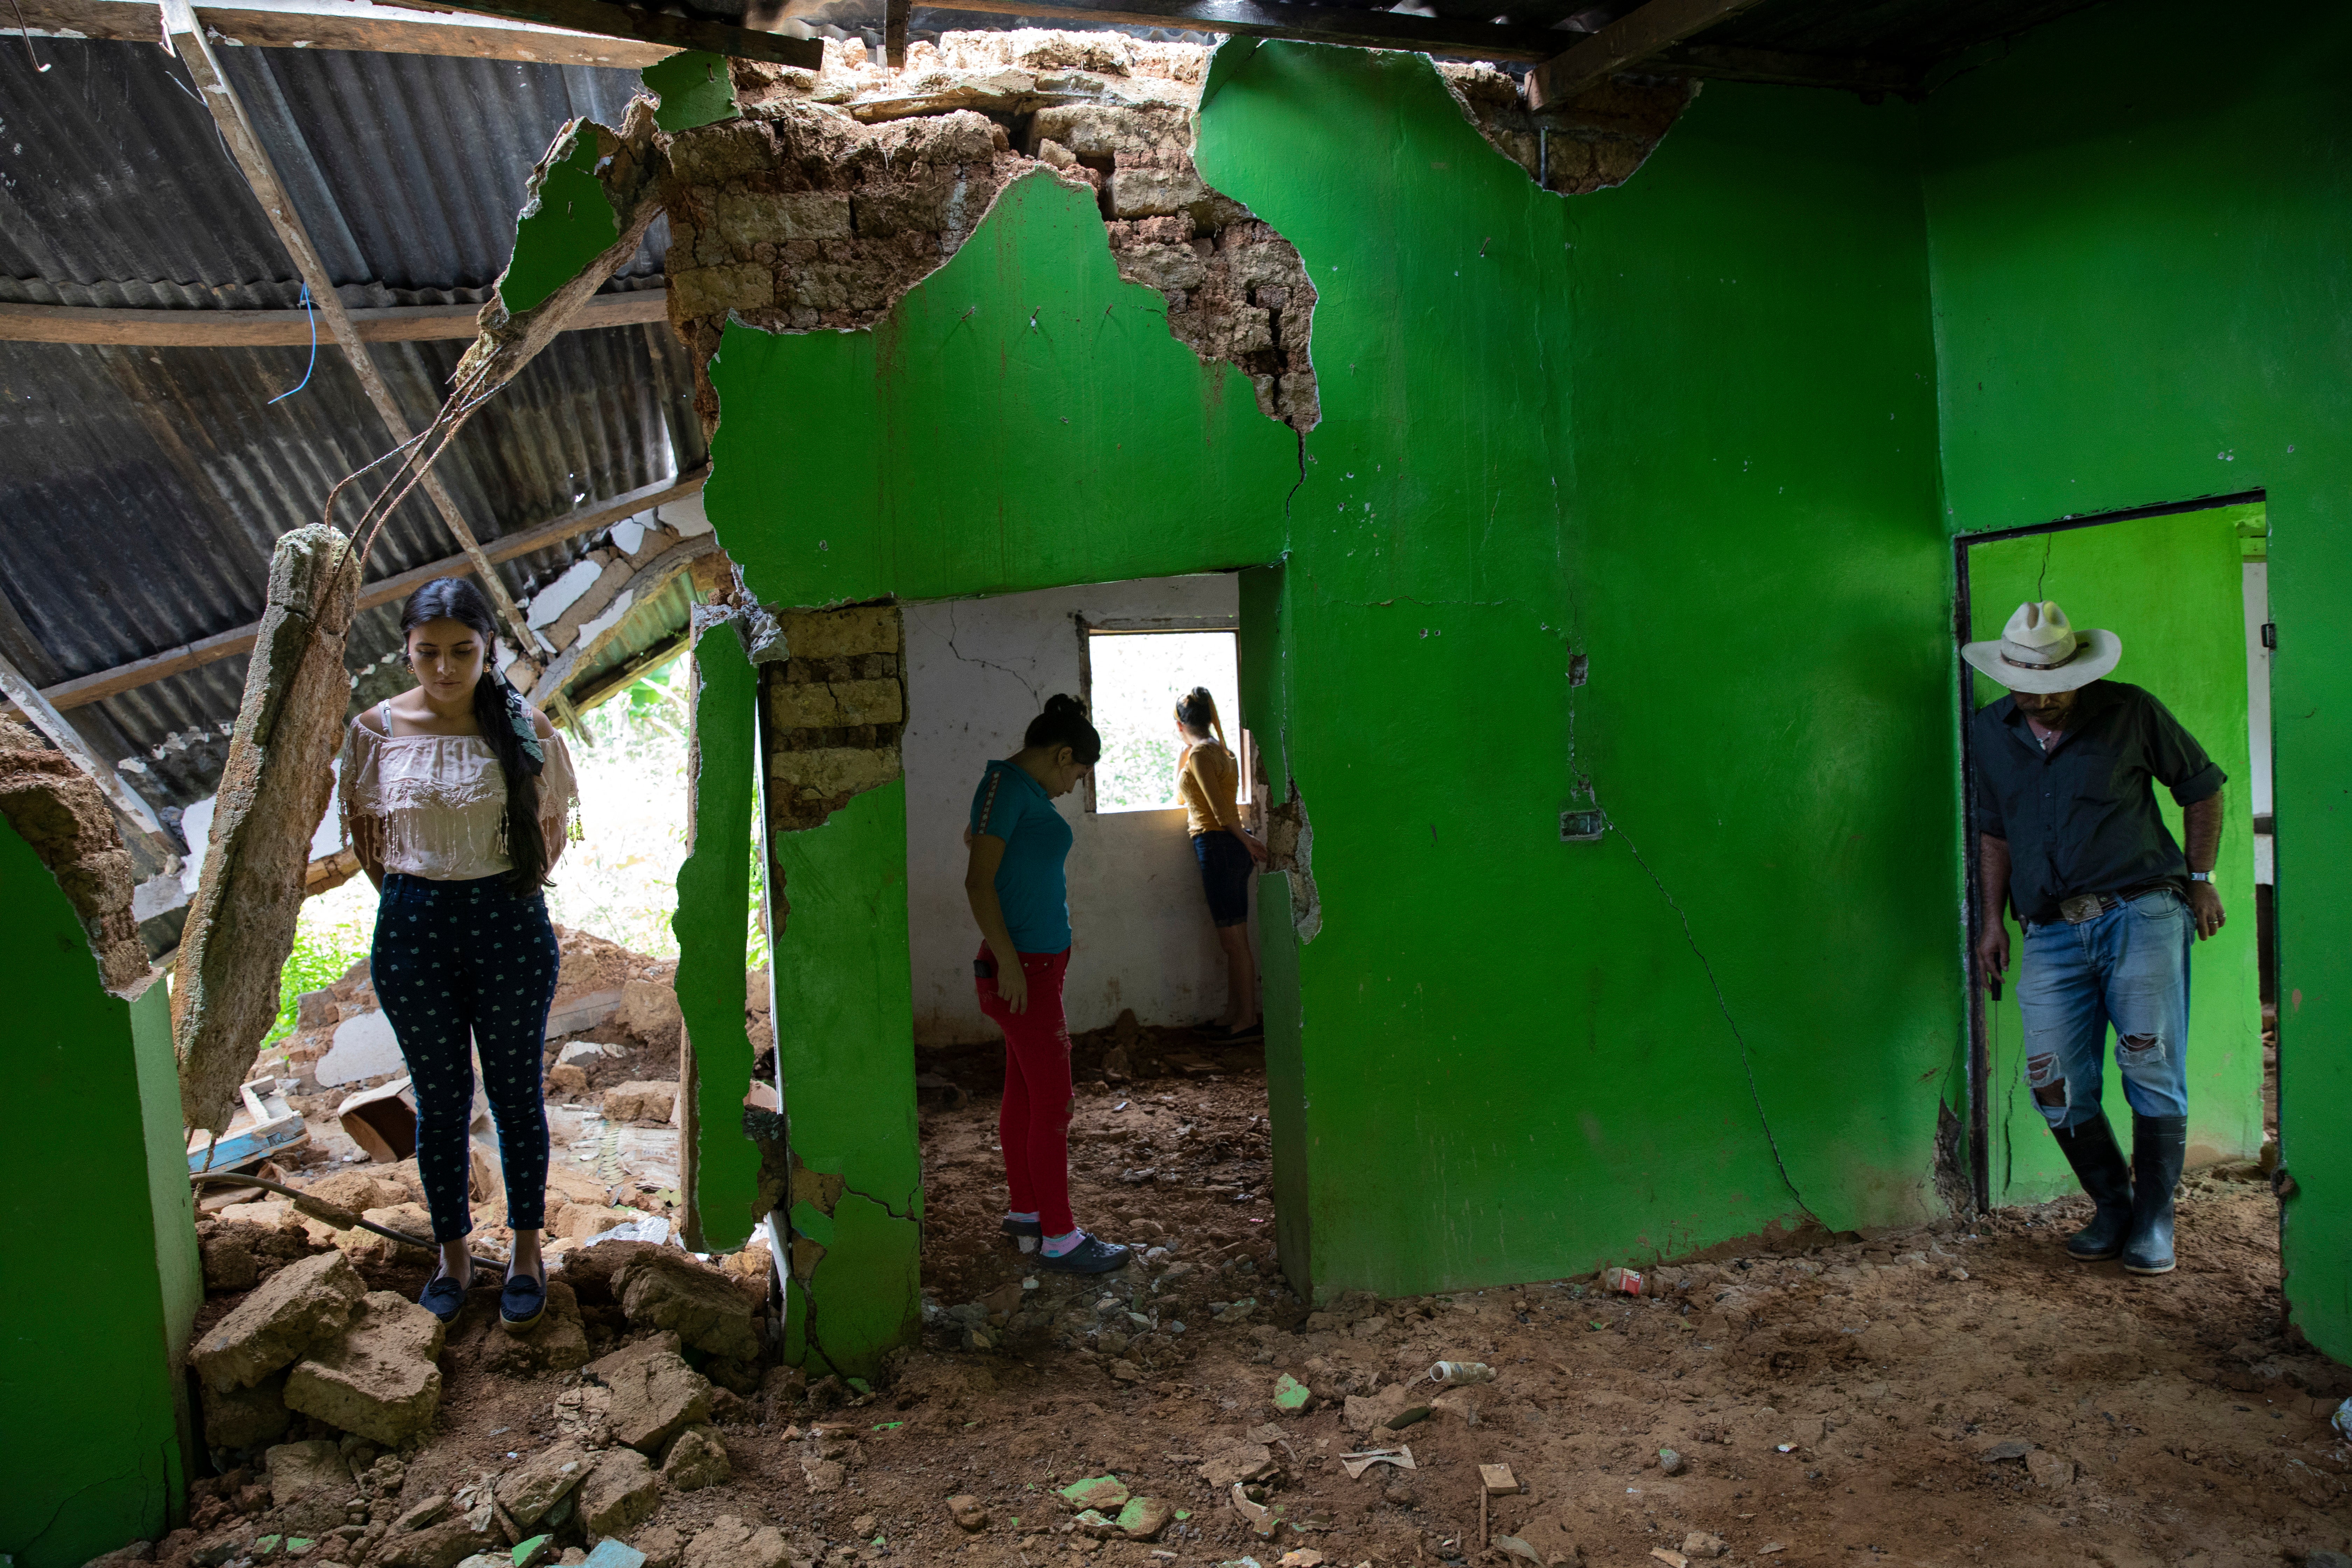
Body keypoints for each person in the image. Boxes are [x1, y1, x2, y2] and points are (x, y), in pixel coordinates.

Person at [341, 578, 579, 1328]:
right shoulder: (375, 731)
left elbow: (549, 832)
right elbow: (368, 838)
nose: (444, 668)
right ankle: (452, 1257)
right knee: (440, 1102)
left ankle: (527, 1254)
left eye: (462, 652)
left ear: (488, 649)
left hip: (510, 924)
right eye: (428, 653)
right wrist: (422, 896)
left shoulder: (527, 728)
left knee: (515, 1095)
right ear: (406, 651)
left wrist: (488, 886)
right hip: (412, 931)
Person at [1965, 599, 2226, 1276]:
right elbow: (1994, 832)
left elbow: (2201, 787)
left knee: (2148, 1061)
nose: (2043, 700)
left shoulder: (2130, 711)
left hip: (2142, 910)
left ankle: (2156, 1220)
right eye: (2029, 688)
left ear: (2078, 673)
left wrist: (2202, 877)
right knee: (2053, 1081)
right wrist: (1992, 921)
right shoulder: (1989, 733)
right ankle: (2114, 1206)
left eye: (2056, 687)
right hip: (2049, 931)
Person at [965, 694, 1129, 1274]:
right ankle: (1060, 1237)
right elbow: (978, 882)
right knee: (1054, 1103)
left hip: (1036, 967)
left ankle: (1028, 1213)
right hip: (1025, 973)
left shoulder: (1017, 791)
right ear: (1062, 756)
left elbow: (989, 850)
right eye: (1077, 775)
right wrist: (1010, 963)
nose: (1072, 787)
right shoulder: (1007, 787)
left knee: (1027, 1095)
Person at [1174, 687, 1269, 1040]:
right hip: (1226, 847)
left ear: (1180, 725)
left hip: (1218, 846)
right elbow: (1184, 797)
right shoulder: (1222, 752)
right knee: (1234, 941)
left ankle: (1247, 1018)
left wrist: (1246, 840)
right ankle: (1235, 1012)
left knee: (1234, 942)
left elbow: (1219, 811)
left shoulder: (1201, 755)